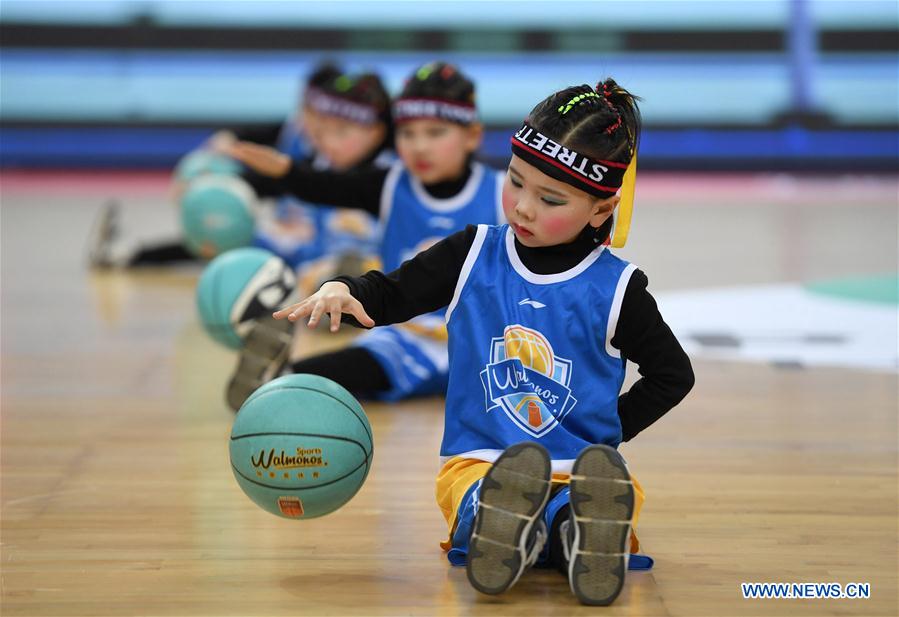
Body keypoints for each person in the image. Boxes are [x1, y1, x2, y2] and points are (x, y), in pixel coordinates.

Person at [270, 79, 694, 605]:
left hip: (581, 471)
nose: (523, 207)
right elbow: (393, 293)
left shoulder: (618, 287)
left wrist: (612, 429)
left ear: (602, 210)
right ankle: (541, 530)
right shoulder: (471, 253)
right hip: (480, 462)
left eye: (550, 198)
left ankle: (564, 532)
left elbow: (673, 374)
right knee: (485, 495)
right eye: (515, 183)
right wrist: (346, 290)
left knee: (577, 501)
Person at [224, 61, 505, 411]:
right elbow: (327, 186)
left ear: (472, 136)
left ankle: (285, 380)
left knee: (377, 362)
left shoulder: (502, 192)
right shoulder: (389, 183)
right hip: (401, 329)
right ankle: (286, 380)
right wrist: (285, 171)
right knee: (371, 355)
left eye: (435, 133)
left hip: (479, 342)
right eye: (408, 134)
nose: (419, 147)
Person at [88, 63, 393, 271]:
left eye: (340, 132)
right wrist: (206, 190)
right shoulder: (316, 159)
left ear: (377, 132)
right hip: (301, 255)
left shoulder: (392, 176)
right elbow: (263, 180)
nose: (325, 139)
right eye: (322, 129)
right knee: (225, 236)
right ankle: (131, 254)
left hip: (363, 270)